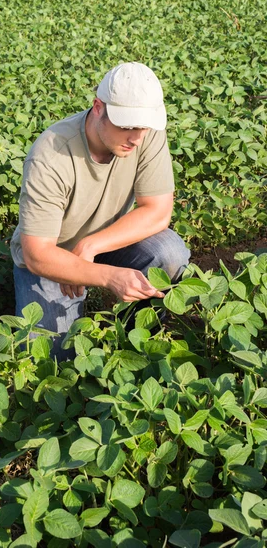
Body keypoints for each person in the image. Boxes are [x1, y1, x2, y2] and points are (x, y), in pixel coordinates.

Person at [10, 62, 190, 360]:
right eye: (126, 126)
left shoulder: (145, 134)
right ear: (97, 108)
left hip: (109, 240)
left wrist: (91, 245)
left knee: (169, 253)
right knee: (54, 356)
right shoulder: (51, 154)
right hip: (55, 256)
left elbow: (158, 211)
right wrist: (107, 277)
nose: (136, 138)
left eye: (143, 127)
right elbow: (37, 252)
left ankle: (139, 340)